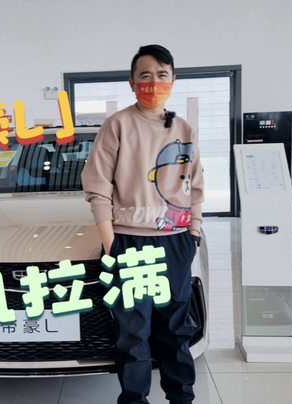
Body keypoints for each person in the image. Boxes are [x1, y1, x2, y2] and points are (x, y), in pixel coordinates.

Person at [81, 44, 204, 404]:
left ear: (173, 80)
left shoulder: (183, 128)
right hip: (130, 243)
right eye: (145, 75)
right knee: (133, 332)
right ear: (132, 82)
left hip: (176, 241)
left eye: (161, 75)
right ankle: (135, 400)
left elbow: (195, 185)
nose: (154, 82)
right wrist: (112, 244)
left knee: (176, 329)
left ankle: (181, 397)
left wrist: (193, 233)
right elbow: (98, 187)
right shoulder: (118, 124)